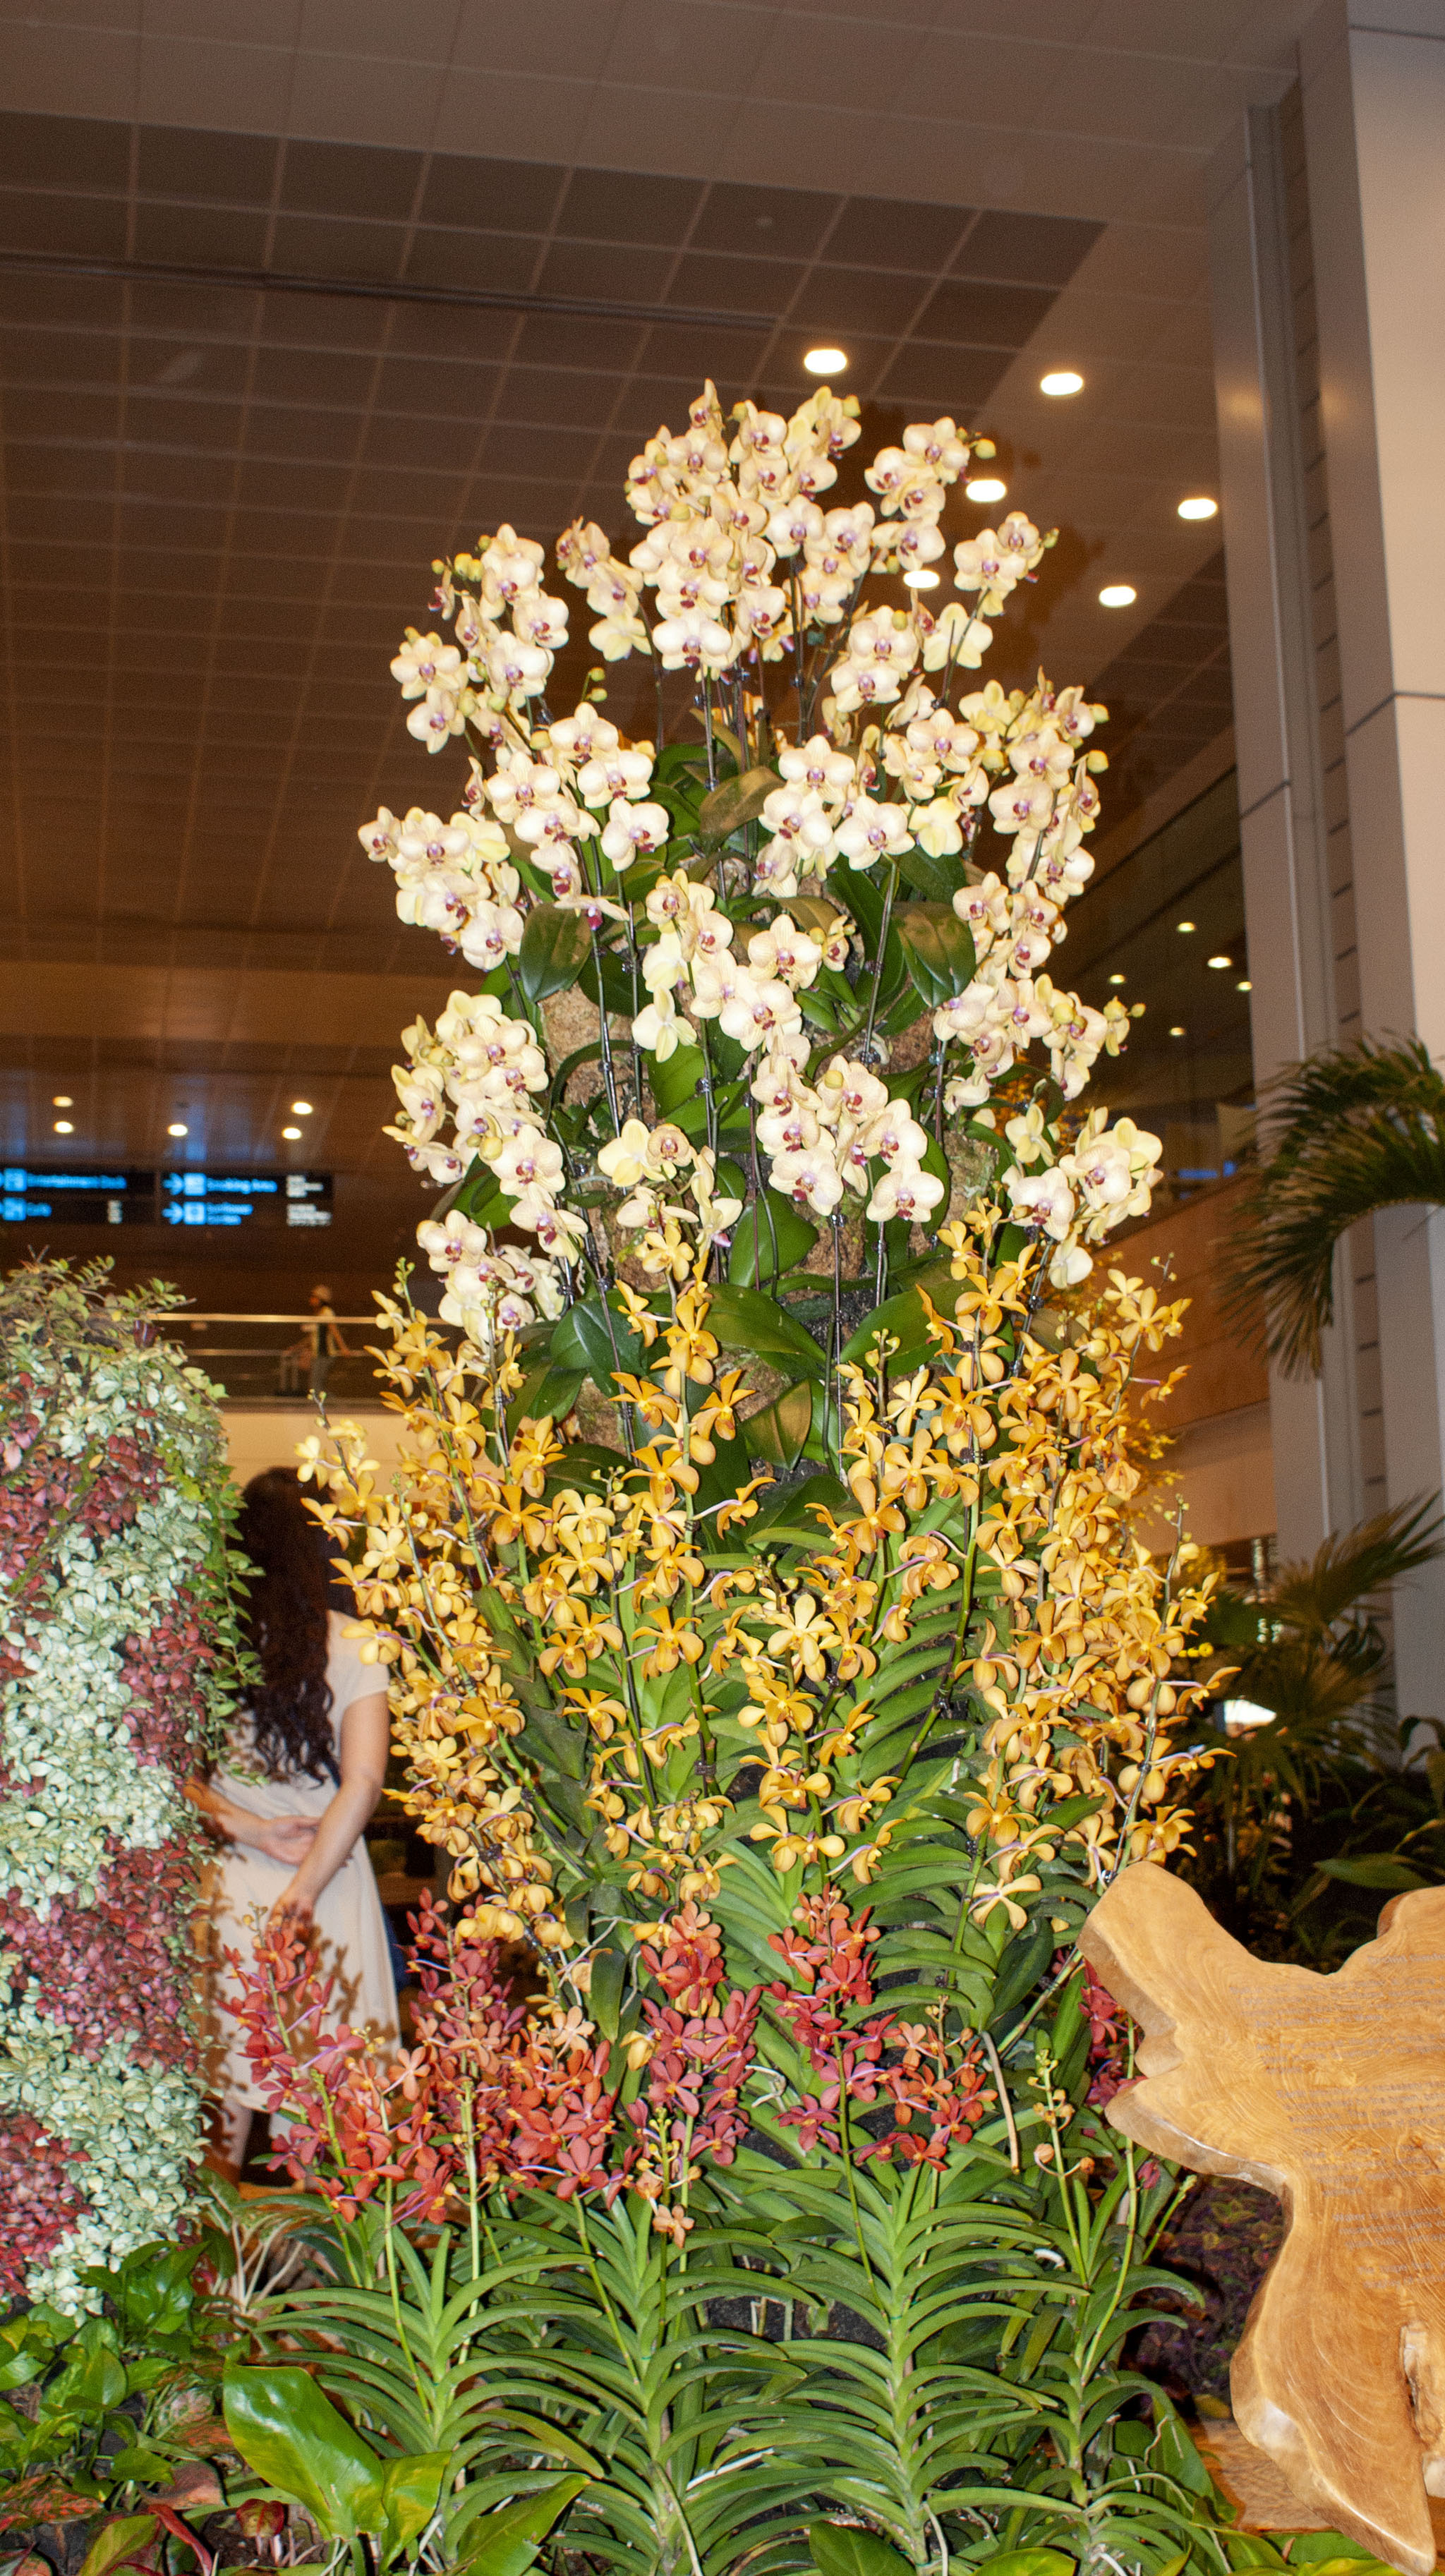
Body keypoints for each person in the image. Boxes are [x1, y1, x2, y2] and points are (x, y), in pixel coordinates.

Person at [192, 1466, 397, 2181]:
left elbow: (170, 1776)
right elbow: (364, 1782)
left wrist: (250, 1830)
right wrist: (305, 1890)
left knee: (224, 2095)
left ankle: (220, 2286)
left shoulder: (206, 1647)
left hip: (233, 1885)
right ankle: (334, 2284)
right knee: (331, 2097)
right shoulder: (357, 1644)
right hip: (328, 1886)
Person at [279, 1286, 351, 1401]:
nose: (311, 1300)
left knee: (316, 1383)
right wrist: (297, 1347)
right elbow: (312, 1337)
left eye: (314, 1297)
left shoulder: (327, 1312)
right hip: (318, 1354)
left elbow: (334, 1330)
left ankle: (326, 1405)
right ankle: (326, 1404)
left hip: (326, 1353)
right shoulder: (319, 1314)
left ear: (321, 1300)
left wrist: (343, 1348)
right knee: (316, 1383)